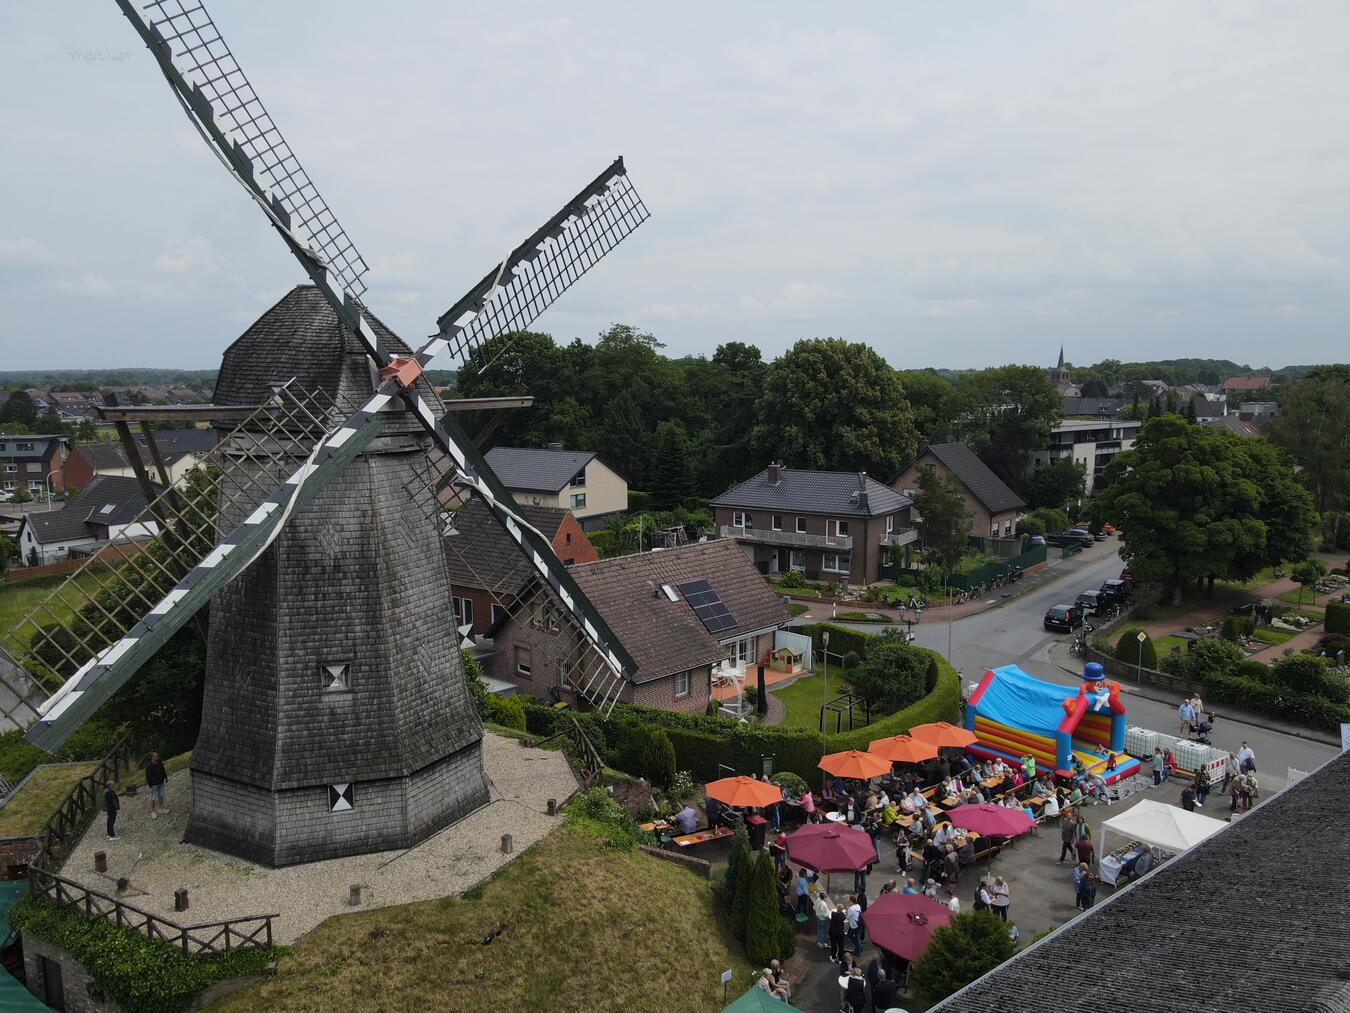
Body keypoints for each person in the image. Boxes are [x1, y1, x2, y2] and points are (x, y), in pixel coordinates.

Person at [144, 751, 168, 819]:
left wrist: (166, 777)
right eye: (156, 756)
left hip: (161, 783)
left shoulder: (160, 762)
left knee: (161, 795)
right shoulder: (148, 767)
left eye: (157, 755)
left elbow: (163, 770)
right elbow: (148, 777)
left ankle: (161, 808)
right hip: (154, 785)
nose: (157, 756)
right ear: (152, 757)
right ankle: (152, 811)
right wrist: (150, 786)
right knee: (153, 798)